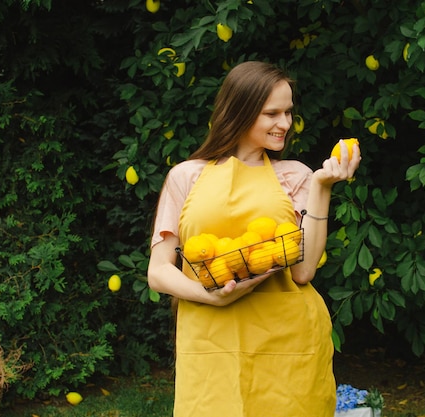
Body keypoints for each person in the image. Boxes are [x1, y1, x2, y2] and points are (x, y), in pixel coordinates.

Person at [147, 60, 361, 417]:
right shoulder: (186, 176)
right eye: (272, 113)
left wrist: (322, 186)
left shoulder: (296, 176)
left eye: (288, 112)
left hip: (287, 340)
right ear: (241, 111)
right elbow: (158, 271)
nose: (285, 124)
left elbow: (303, 271)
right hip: (210, 341)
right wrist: (210, 297)